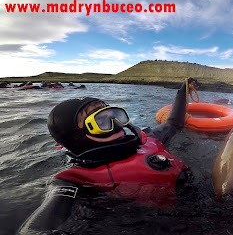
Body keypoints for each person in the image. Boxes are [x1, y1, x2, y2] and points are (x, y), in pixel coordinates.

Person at [18, 78, 200, 234]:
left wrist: (183, 90)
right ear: (76, 137)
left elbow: (173, 123)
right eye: (101, 121)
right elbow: (37, 226)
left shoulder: (146, 139)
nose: (116, 124)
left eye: (113, 115)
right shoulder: (73, 182)